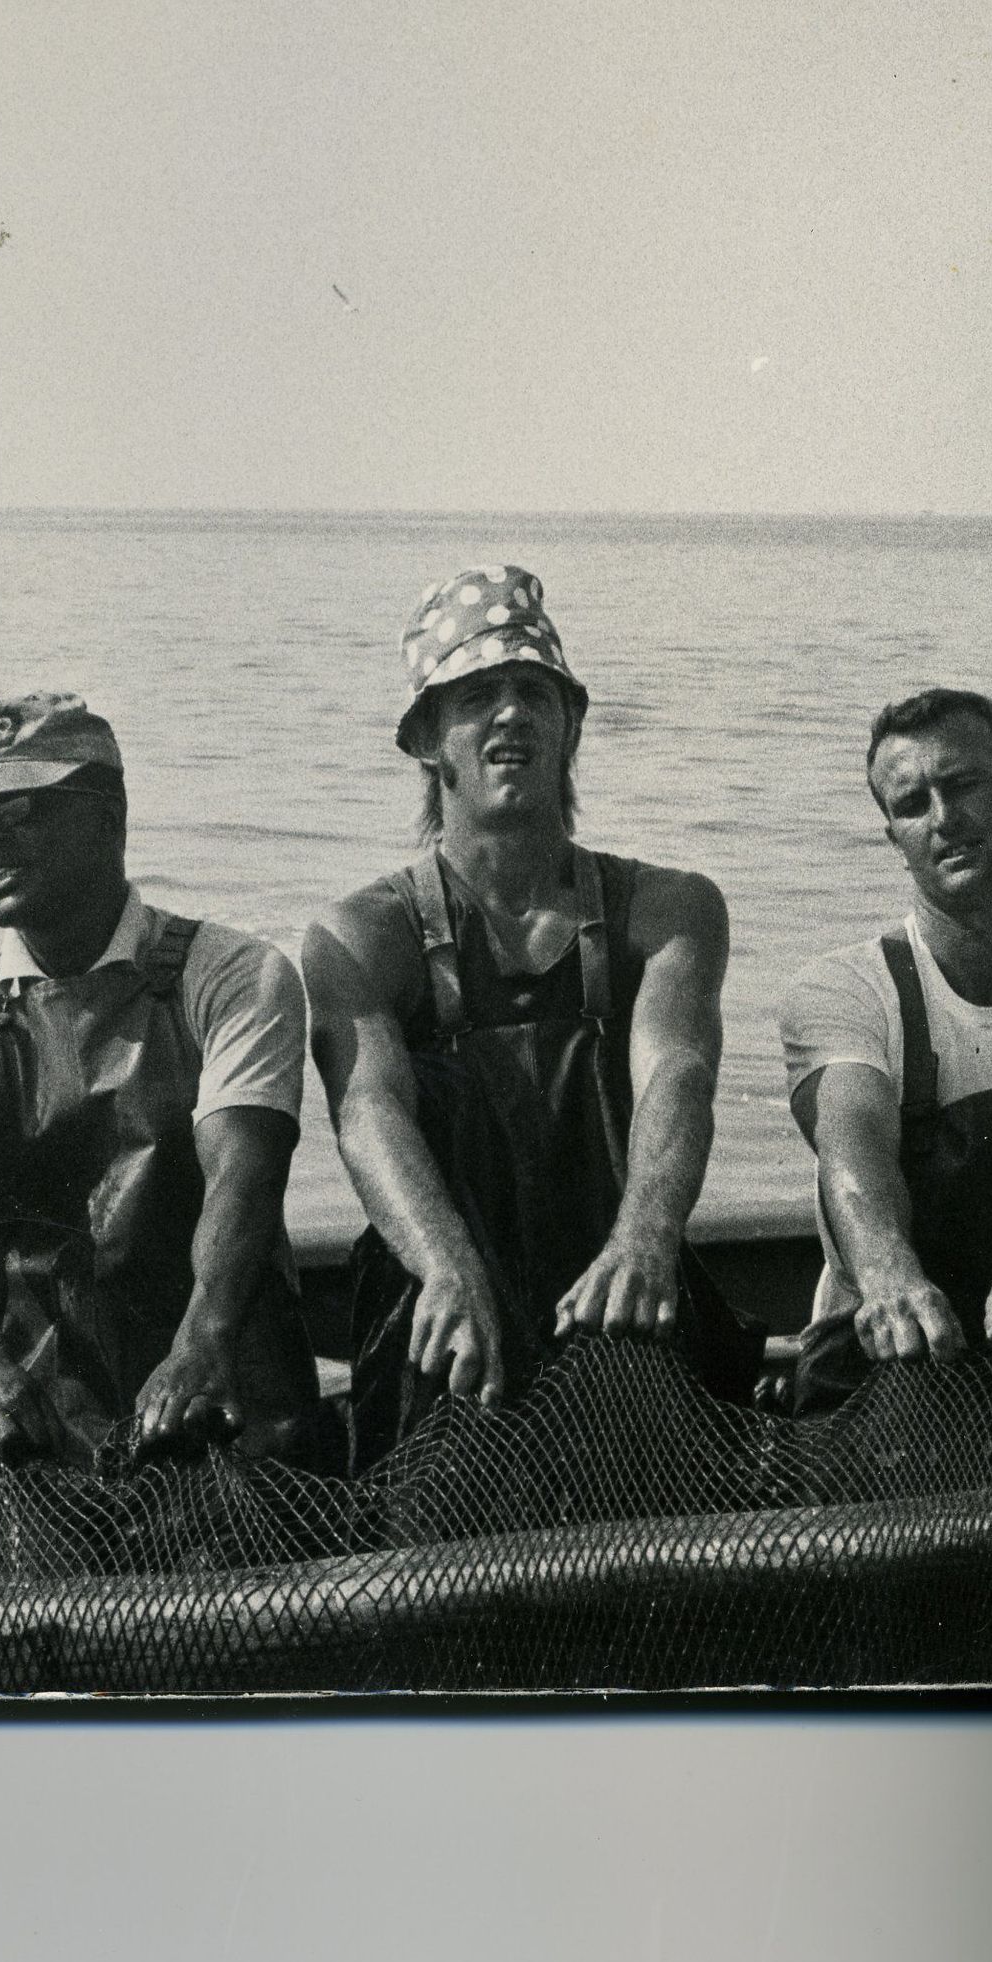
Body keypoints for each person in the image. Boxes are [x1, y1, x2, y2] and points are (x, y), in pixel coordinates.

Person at [303, 565, 754, 1469]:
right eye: (477, 696)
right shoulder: (360, 936)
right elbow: (368, 1112)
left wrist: (646, 1239)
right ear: (426, 738)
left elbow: (678, 1073)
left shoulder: (669, 911)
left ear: (571, 724)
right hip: (446, 1306)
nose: (510, 713)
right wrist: (446, 1268)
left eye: (534, 693)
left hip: (625, 1292)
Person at [0, 690, 329, 1472]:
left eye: (16, 810)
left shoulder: (235, 978)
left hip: (230, 1417)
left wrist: (200, 1345)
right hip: (43, 1437)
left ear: (108, 817)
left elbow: (244, 1179)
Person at [776, 687, 992, 1409]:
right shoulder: (846, 989)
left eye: (963, 785)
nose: (944, 818)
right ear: (894, 837)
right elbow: (854, 1142)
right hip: (895, 1361)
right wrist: (887, 1273)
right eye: (912, 804)